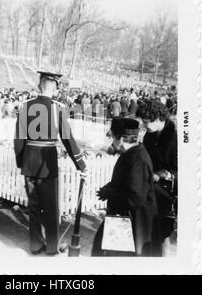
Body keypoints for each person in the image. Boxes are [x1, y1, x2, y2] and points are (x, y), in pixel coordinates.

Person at [14, 71, 86, 255]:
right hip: (47, 162)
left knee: (34, 206)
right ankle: (53, 247)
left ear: (39, 86)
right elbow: (68, 139)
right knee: (51, 206)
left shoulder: (25, 106)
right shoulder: (58, 108)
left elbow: (19, 139)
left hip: (29, 161)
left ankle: (36, 244)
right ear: (54, 88)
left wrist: (21, 162)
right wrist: (80, 164)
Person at [91, 118, 160, 256]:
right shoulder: (130, 154)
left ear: (121, 139)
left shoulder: (138, 159)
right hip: (124, 219)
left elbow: (135, 198)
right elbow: (124, 183)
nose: (112, 143)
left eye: (113, 139)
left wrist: (110, 192)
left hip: (135, 225)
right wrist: (108, 188)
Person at [136, 100, 177, 256]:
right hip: (151, 192)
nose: (144, 125)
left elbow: (181, 170)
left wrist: (160, 175)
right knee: (151, 233)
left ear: (158, 117)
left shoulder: (175, 137)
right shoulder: (150, 135)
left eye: (146, 122)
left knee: (163, 234)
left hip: (168, 194)